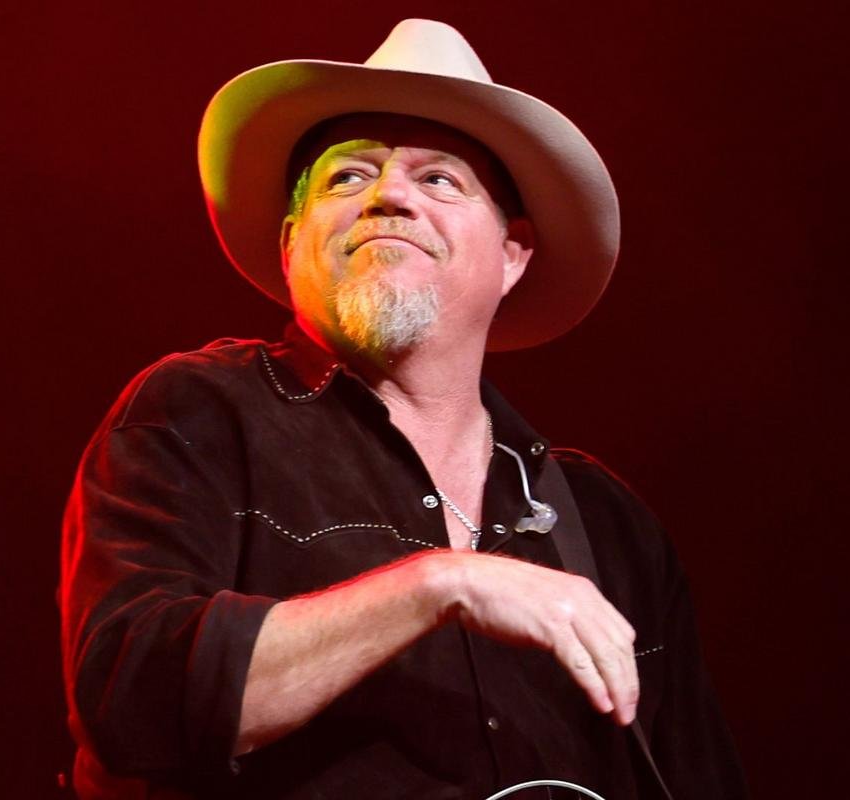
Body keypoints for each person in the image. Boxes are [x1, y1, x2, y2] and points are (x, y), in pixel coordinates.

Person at [60, 19, 748, 800]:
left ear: (512, 256)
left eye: (440, 180)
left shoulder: (608, 524)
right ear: (291, 243)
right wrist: (438, 586)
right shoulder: (199, 412)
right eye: (346, 178)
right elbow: (130, 701)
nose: (387, 195)